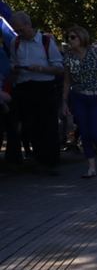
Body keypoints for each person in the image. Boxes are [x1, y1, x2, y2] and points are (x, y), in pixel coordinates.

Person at [7, 11, 64, 174]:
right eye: (17, 31)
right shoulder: (15, 42)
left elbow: (58, 68)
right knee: (31, 126)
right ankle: (40, 159)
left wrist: (39, 68)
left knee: (48, 125)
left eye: (21, 30)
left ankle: (52, 162)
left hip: (43, 87)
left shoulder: (45, 41)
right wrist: (14, 68)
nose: (20, 34)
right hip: (24, 87)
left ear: (28, 25)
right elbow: (13, 61)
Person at [60, 26, 97, 178]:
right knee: (85, 133)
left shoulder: (94, 53)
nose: (70, 40)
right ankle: (91, 167)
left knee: (96, 133)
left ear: (81, 38)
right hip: (79, 98)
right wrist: (64, 101)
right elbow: (67, 81)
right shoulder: (67, 58)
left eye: (73, 37)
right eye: (69, 38)